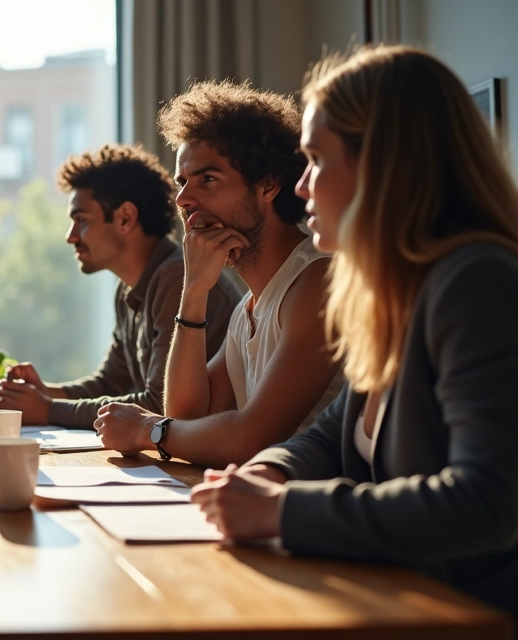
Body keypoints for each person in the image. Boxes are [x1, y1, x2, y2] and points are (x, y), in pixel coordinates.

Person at [191, 45, 518, 619]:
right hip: (397, 601)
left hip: (470, 617)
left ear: (384, 164)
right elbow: (329, 433)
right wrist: (270, 471)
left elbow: (486, 502)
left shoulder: (475, 282)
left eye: (316, 159)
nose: (302, 186)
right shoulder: (396, 291)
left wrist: (281, 511)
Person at [94, 80, 343, 467]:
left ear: (268, 186)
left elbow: (250, 439)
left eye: (207, 179)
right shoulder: (249, 307)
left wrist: (147, 430)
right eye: (182, 182)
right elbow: (187, 418)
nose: (183, 199)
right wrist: (194, 291)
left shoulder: (317, 282)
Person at [0, 144, 240, 427]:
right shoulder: (129, 288)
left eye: (81, 220)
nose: (70, 236)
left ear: (125, 217)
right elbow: (111, 382)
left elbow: (158, 405)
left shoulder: (177, 277)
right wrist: (45, 392)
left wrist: (49, 410)